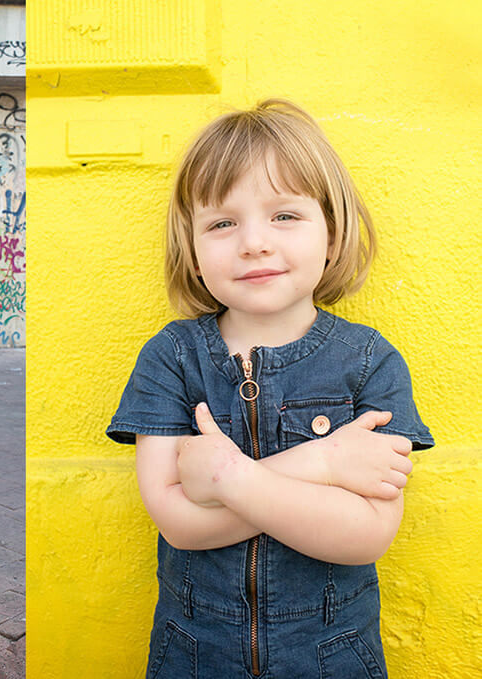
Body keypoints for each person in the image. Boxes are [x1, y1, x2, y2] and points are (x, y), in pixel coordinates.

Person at [106, 100, 433, 677]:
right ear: (195, 251)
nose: (253, 242)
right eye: (222, 223)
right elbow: (178, 523)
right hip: (195, 656)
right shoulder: (172, 357)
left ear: (332, 233)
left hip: (332, 658)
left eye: (285, 215)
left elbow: (366, 535)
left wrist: (229, 479)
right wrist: (327, 464)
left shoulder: (368, 361)